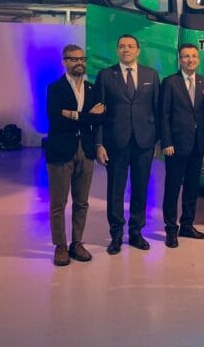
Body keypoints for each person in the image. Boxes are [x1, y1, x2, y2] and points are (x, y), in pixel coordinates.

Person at [95, 34, 160, 254]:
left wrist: (157, 140)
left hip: (144, 141)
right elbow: (98, 114)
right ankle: (116, 235)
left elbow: (157, 109)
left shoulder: (151, 74)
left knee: (140, 188)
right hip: (115, 142)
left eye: (130, 46)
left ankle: (136, 232)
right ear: (117, 50)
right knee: (115, 190)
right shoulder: (105, 76)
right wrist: (99, 143)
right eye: (122, 46)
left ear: (138, 50)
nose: (126, 50)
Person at [45, 44, 105, 266]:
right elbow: (55, 118)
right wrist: (87, 115)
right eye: (73, 59)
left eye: (82, 59)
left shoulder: (92, 89)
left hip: (85, 150)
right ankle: (60, 245)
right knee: (58, 202)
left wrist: (74, 114)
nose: (79, 62)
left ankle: (77, 243)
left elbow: (101, 118)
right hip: (61, 150)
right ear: (64, 61)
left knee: (82, 202)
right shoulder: (55, 88)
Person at [160, 43, 204, 248]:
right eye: (186, 56)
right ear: (179, 59)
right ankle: (170, 229)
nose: (190, 60)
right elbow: (164, 115)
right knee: (172, 188)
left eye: (193, 56)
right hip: (175, 145)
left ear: (198, 59)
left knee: (192, 187)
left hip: (198, 144)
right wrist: (166, 141)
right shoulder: (170, 82)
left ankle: (187, 225)